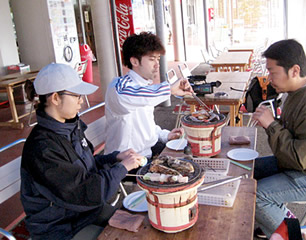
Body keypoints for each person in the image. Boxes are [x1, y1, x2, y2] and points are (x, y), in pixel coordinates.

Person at [21, 63, 143, 240]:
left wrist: (115, 157)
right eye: (77, 95)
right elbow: (85, 191)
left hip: (84, 212)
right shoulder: (42, 148)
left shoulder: (70, 127)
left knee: (140, 223)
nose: (81, 100)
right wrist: (122, 168)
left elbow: (87, 166)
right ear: (55, 98)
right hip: (59, 227)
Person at [251, 39, 306, 239]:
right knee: (247, 170)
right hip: (301, 164)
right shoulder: (294, 92)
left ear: (295, 70)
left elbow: (300, 159)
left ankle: (291, 233)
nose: (269, 78)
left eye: (273, 72)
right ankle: (271, 221)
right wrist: (271, 122)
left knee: (257, 196)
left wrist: (271, 125)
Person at [104, 32, 193, 159]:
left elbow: (145, 124)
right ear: (134, 61)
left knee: (191, 153)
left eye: (158, 59)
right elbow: (133, 93)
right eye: (152, 59)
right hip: (123, 162)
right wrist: (170, 89)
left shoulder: (145, 88)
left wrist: (165, 135)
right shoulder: (119, 86)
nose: (157, 65)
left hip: (147, 153)